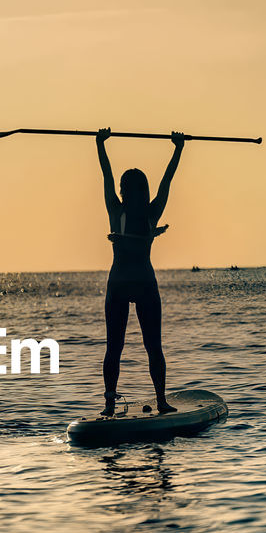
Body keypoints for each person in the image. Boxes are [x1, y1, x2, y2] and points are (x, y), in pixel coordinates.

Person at [95, 127, 185, 416]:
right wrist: (178, 148)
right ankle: (160, 401)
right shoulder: (151, 213)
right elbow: (167, 180)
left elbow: (106, 176)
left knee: (115, 348)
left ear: (123, 192)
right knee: (151, 347)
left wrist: (100, 145)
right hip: (142, 284)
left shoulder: (117, 211)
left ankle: (110, 405)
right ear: (142, 191)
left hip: (121, 284)